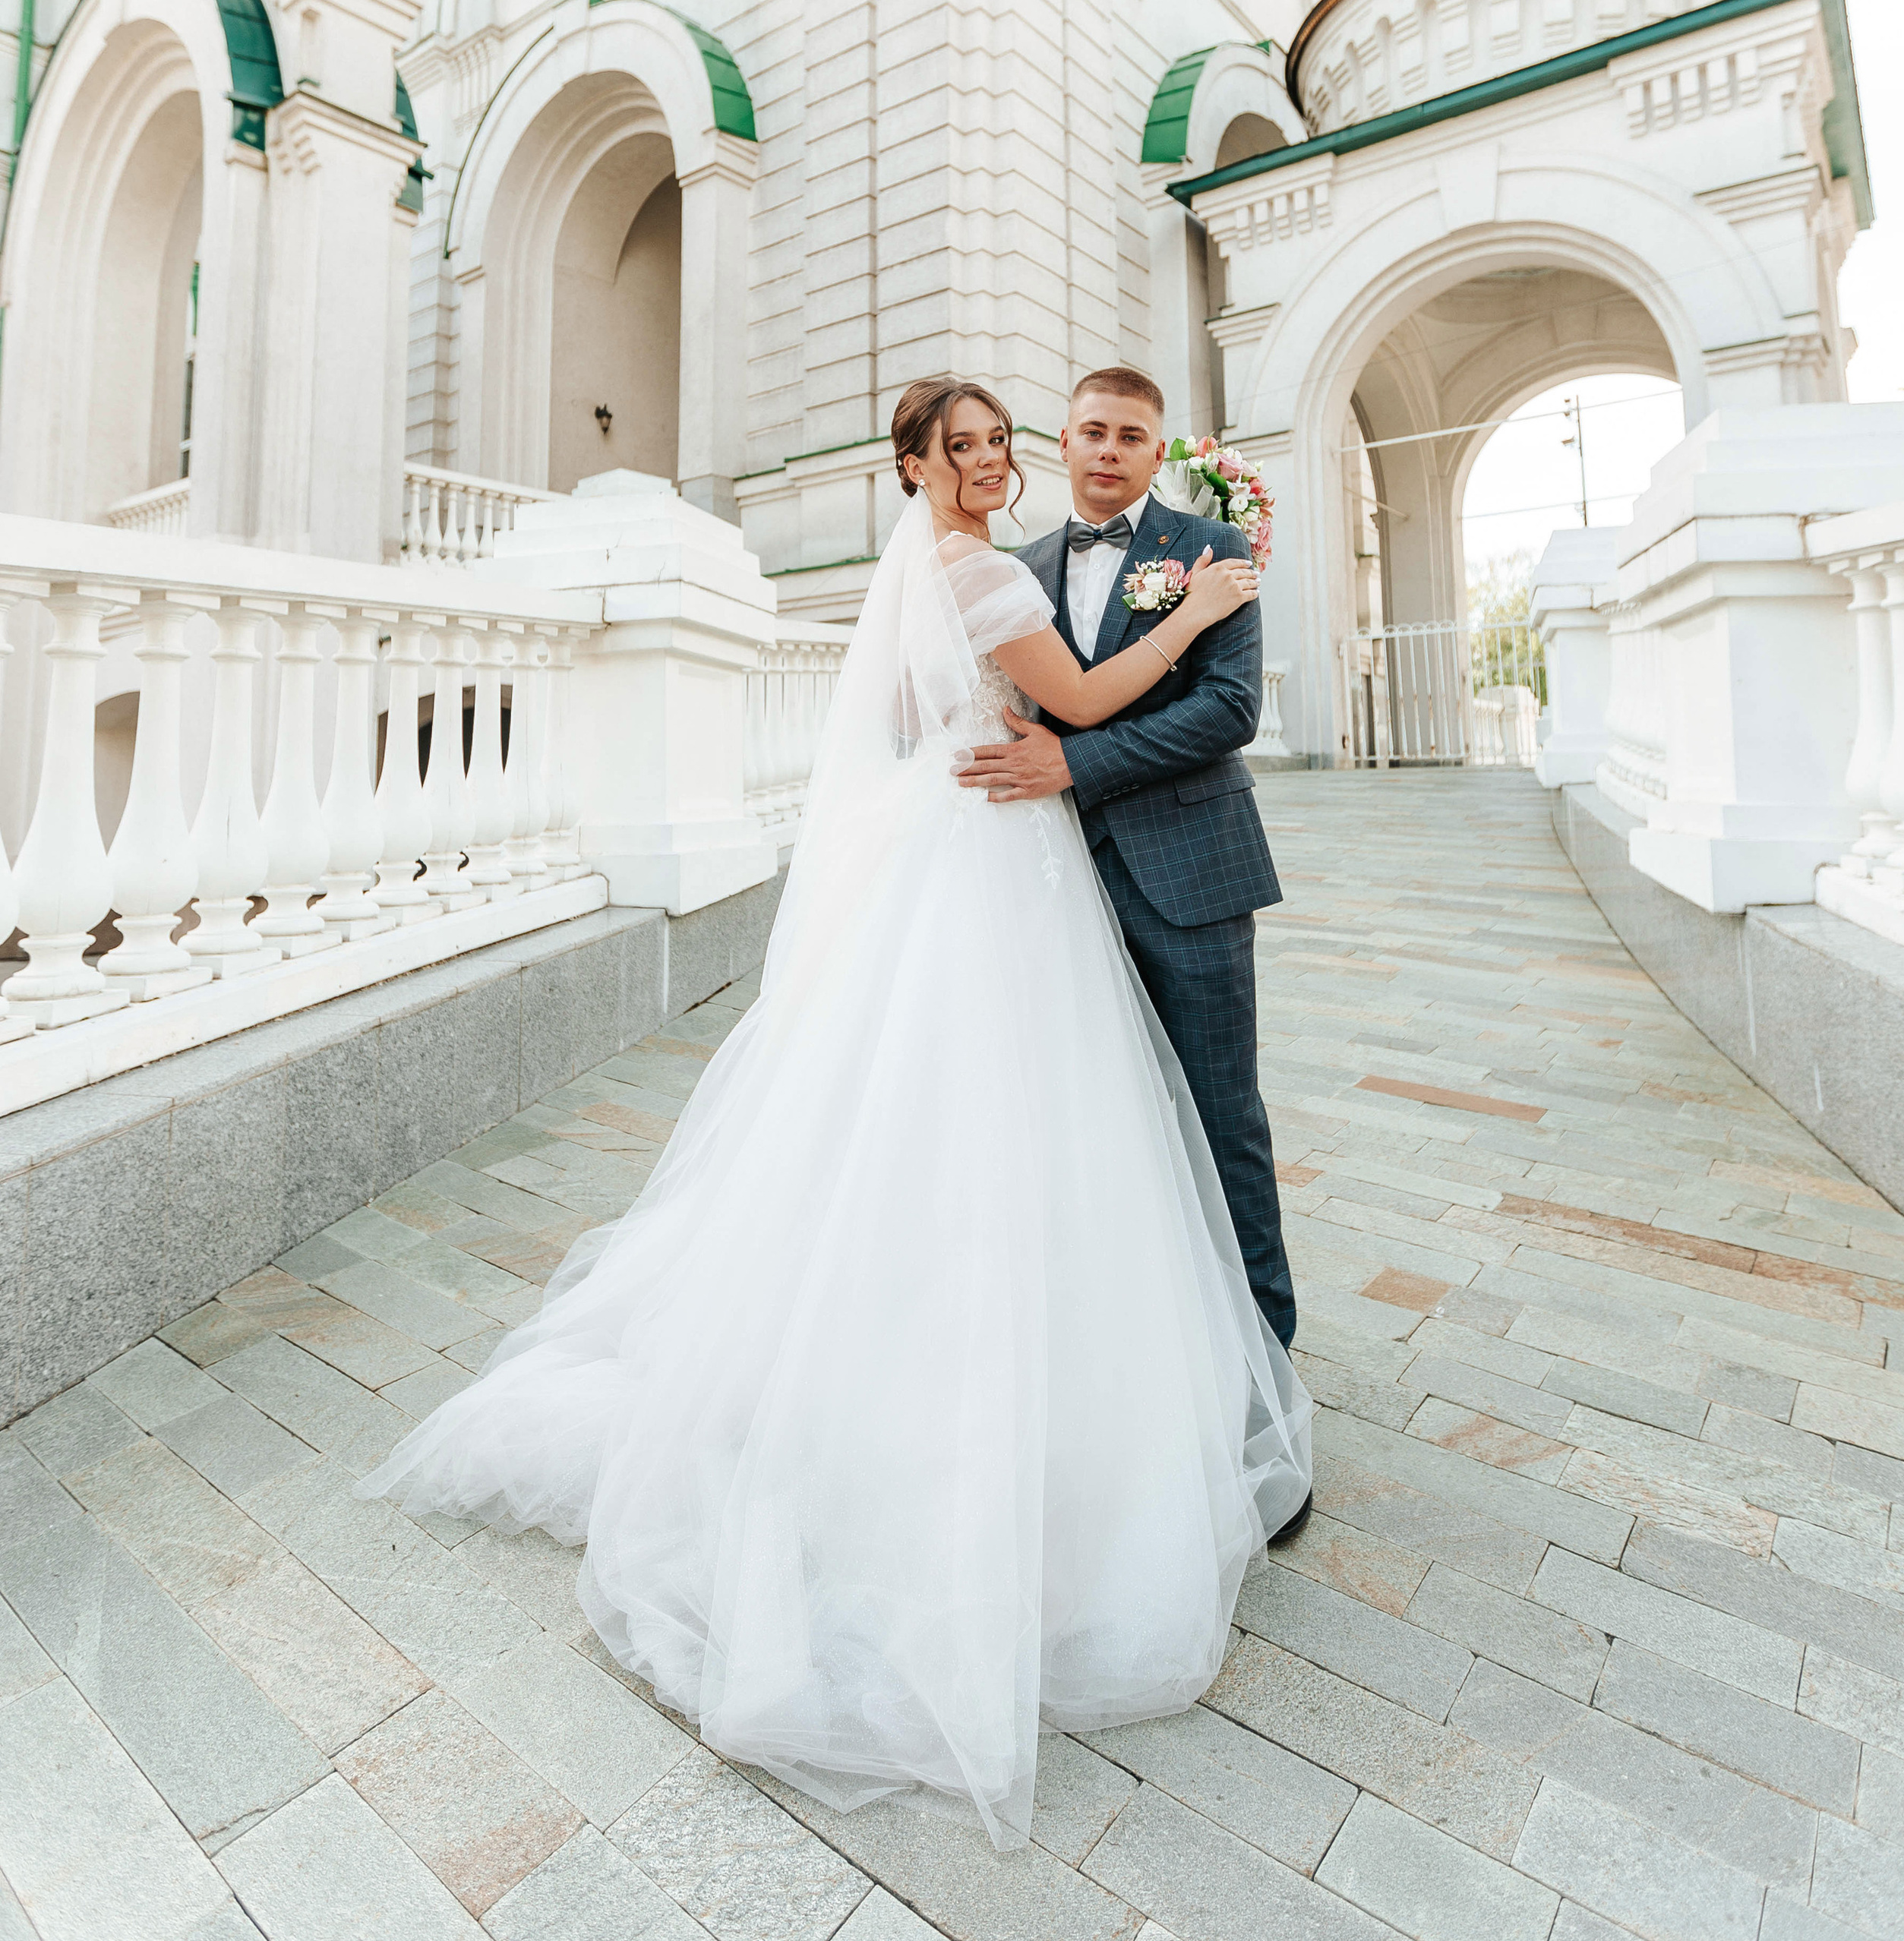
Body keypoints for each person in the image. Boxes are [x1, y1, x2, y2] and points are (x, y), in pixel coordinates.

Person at [358, 375, 1311, 1851]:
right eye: (972, 446)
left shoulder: (990, 564)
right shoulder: (994, 566)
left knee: (1099, 1127)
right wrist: (1176, 626)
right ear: (918, 465)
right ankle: (1016, 1390)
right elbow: (1070, 702)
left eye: (1010, 444)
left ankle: (1202, 1354)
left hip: (1000, 844)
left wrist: (1141, 659)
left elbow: (917, 730)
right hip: (1003, 858)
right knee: (1007, 1124)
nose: (1000, 462)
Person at [957, 366, 1296, 1356]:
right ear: (1060, 444)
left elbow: (1230, 709)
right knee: (1096, 1122)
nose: (1109, 450)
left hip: (1191, 873)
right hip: (1056, 882)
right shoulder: (1011, 567)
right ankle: (1141, 1358)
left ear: (1159, 452)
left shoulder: (1212, 551)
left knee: (1222, 1117)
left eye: (1132, 436)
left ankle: (1262, 1363)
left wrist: (1074, 760)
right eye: (1092, 431)